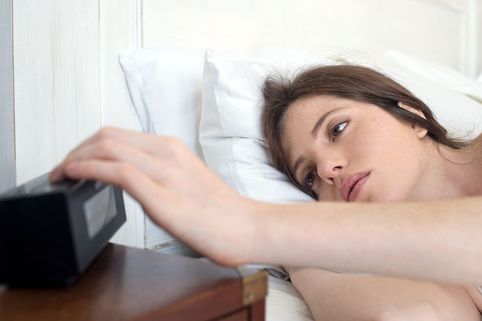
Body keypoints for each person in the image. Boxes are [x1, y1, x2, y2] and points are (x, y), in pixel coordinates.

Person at [49, 64, 482, 320]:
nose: (328, 169)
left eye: (339, 128)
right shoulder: (421, 268)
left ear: (412, 116)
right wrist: (303, 262)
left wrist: (251, 225)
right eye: (308, 178)